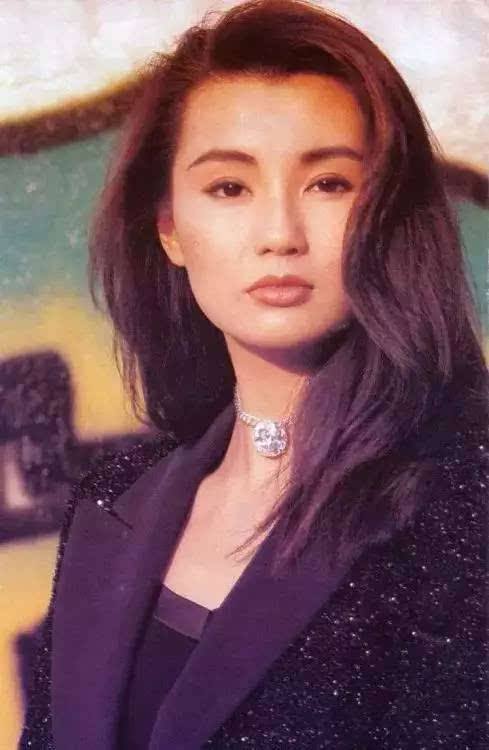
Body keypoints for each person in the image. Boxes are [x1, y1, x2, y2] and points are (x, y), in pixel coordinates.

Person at [19, 0, 488, 748]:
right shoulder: (114, 498)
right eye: (229, 188)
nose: (279, 234)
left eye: (328, 183)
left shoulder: (463, 500)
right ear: (169, 229)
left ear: (388, 212)